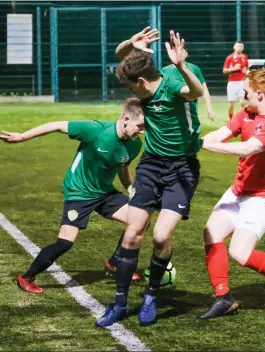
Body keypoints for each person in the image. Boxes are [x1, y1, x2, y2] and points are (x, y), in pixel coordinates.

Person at [96, 28, 204, 327]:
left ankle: (151, 295)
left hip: (182, 168)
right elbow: (122, 59)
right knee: (132, 235)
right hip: (151, 166)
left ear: (142, 83)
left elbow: (194, 92)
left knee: (159, 237)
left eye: (133, 86)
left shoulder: (171, 85)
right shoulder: (142, 81)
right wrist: (131, 44)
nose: (130, 92)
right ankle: (119, 303)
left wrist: (182, 66)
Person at [0, 98, 145, 293]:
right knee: (65, 242)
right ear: (126, 119)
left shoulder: (134, 144)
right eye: (140, 126)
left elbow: (123, 167)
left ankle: (115, 263)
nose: (142, 131)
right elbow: (56, 125)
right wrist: (22, 137)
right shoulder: (95, 130)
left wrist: (131, 189)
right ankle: (26, 277)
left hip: (105, 192)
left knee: (139, 221)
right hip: (79, 191)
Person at [198, 68, 265, 319]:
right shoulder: (246, 113)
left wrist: (202, 146)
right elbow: (221, 134)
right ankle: (223, 297)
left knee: (240, 252)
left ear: (259, 94)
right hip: (238, 192)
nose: (241, 95)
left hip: (264, 198)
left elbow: (248, 149)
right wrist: (202, 140)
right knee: (211, 232)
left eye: (245, 91)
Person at [161, 47, 216, 121]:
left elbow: (204, 89)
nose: (179, 55)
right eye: (177, 52)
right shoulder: (165, 71)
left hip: (189, 109)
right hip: (171, 109)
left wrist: (209, 109)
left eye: (182, 52)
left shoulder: (194, 68)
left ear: (186, 54)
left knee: (191, 130)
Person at [223, 41, 248, 119]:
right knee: (231, 104)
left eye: (241, 46)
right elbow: (224, 70)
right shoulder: (230, 57)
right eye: (238, 46)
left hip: (242, 82)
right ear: (234, 47)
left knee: (242, 102)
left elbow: (246, 67)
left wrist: (246, 70)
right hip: (232, 83)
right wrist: (234, 69)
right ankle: (231, 119)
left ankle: (243, 119)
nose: (240, 48)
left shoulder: (245, 56)